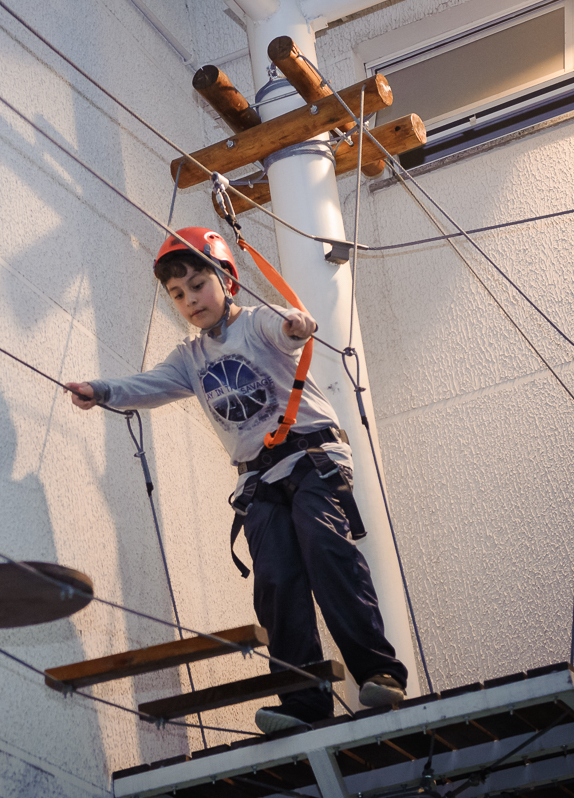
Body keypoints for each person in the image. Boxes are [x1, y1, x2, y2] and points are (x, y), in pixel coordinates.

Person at [66, 227, 408, 733]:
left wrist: (296, 327)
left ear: (228, 280)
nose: (190, 300)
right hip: (259, 479)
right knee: (275, 582)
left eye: (198, 285)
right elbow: (149, 385)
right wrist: (102, 389)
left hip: (310, 455)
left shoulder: (255, 323)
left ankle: (379, 670)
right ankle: (303, 703)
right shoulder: (189, 358)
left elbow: (285, 330)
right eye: (178, 294)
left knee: (325, 549)